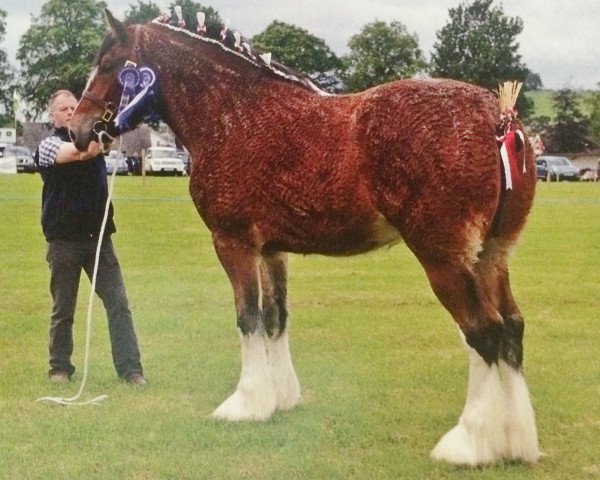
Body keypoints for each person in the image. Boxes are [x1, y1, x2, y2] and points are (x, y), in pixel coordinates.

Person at [34, 90, 146, 385]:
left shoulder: (94, 135)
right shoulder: (48, 145)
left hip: (99, 239)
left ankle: (131, 370)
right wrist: (102, 140)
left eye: (74, 106)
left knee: (118, 304)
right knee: (63, 309)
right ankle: (59, 368)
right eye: (63, 108)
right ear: (53, 116)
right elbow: (78, 153)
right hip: (63, 240)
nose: (70, 111)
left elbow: (110, 131)